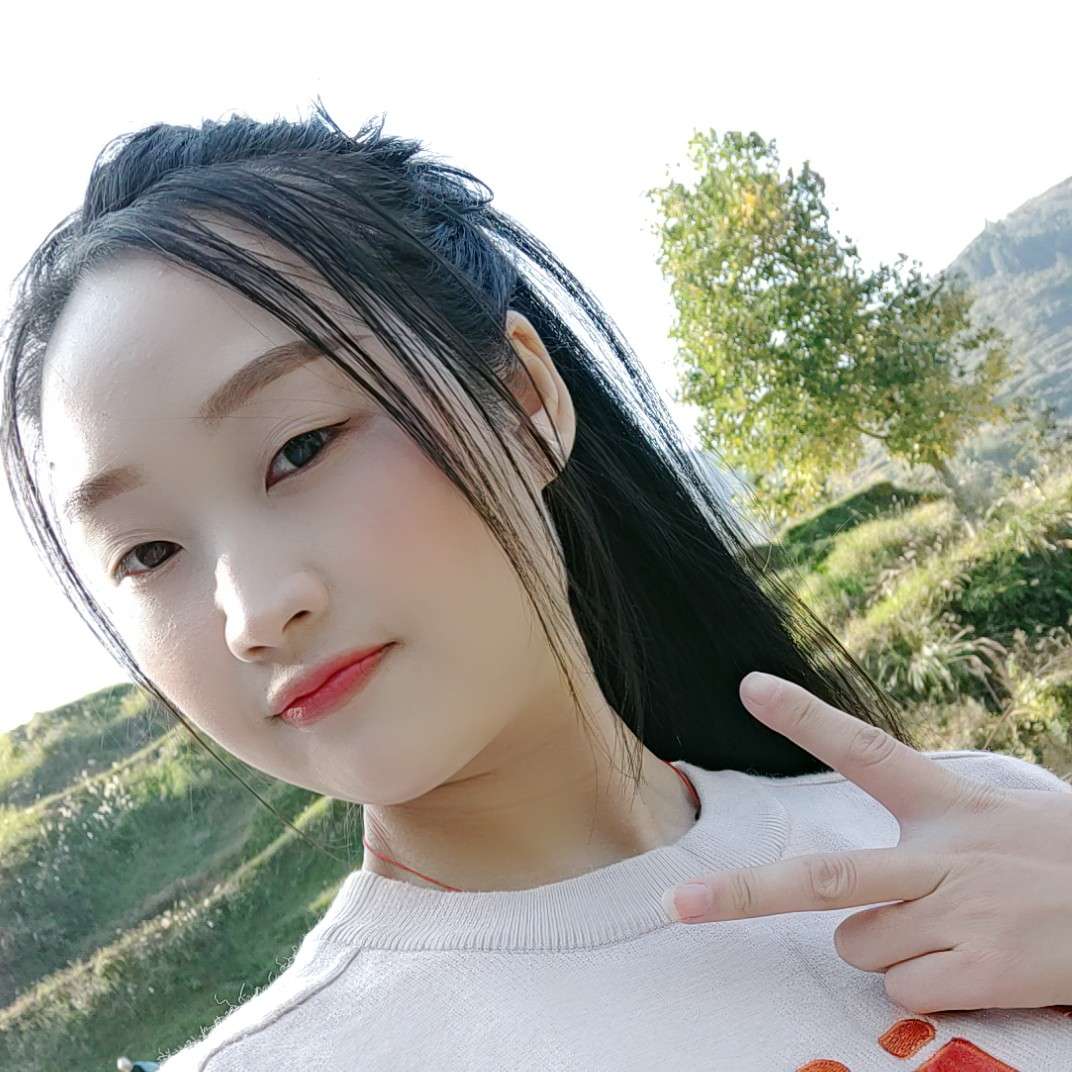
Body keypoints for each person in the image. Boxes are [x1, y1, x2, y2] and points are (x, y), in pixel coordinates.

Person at [2, 102, 1069, 1071]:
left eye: (302, 447)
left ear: (523, 400)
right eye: (148, 553)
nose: (253, 613)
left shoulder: (984, 831)